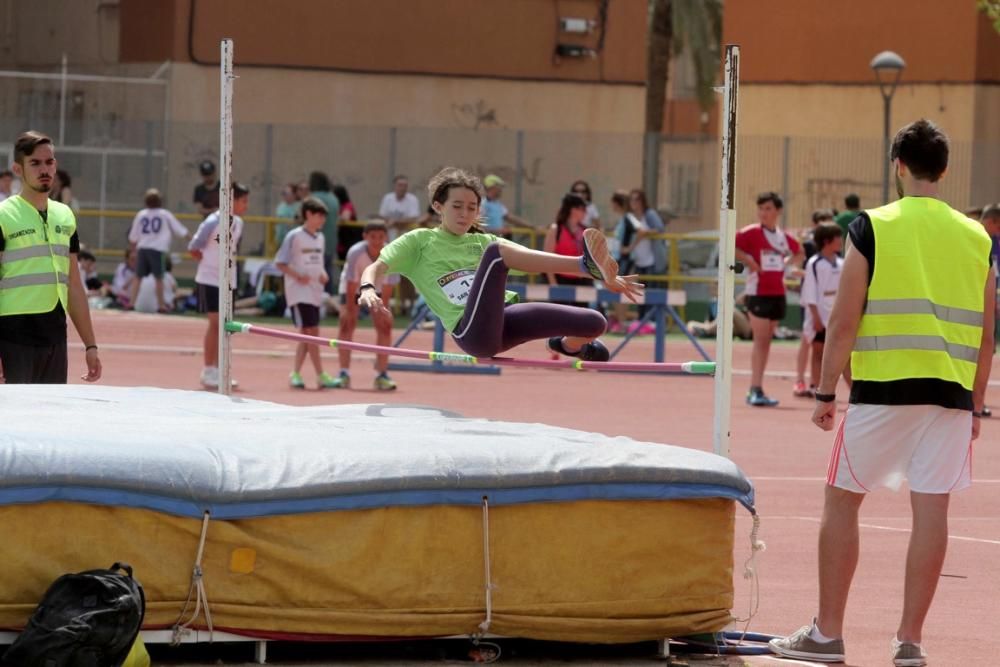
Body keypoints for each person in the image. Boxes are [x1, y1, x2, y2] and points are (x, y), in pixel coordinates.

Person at [769, 119, 995, 667]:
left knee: (842, 501)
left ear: (898, 165)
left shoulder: (872, 225)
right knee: (932, 511)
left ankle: (828, 633)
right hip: (949, 394)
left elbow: (844, 319)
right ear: (942, 170)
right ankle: (910, 641)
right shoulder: (978, 236)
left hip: (882, 391)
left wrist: (825, 392)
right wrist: (976, 402)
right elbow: (988, 332)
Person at [357, 167, 642, 363]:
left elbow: (537, 260)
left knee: (595, 322)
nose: (465, 213)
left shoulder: (482, 242)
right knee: (497, 252)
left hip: (507, 321)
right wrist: (369, 288)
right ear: (437, 206)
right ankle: (585, 264)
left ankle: (566, 346)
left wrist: (608, 277)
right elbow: (378, 266)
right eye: (457, 206)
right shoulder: (420, 241)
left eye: (471, 207)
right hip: (473, 332)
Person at [0, 130, 101, 384]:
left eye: (49, 162)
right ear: (18, 169)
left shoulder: (65, 215)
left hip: (55, 337)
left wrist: (90, 345)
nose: (44, 169)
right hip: (13, 338)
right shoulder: (3, 215)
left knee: (49, 421)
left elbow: (74, 284)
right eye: (35, 163)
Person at [735, 191, 804, 406]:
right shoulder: (751, 232)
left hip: (778, 294)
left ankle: (758, 388)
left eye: (768, 209)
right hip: (757, 293)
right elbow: (731, 245)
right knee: (761, 340)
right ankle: (754, 388)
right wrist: (749, 261)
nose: (763, 213)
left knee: (766, 343)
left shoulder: (783, 237)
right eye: (760, 208)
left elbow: (800, 252)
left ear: (778, 211)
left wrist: (786, 263)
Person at [274, 196, 340, 390]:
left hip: (314, 291)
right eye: (319, 215)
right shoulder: (294, 236)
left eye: (324, 217)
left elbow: (317, 262)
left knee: (307, 333)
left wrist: (323, 274)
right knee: (312, 332)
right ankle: (320, 374)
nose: (322, 220)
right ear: (308, 214)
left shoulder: (320, 238)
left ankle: (295, 373)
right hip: (299, 291)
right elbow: (280, 263)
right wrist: (297, 275)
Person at [188, 182, 249, 389]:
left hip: (228, 280)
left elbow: (233, 251)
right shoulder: (212, 221)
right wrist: (210, 265)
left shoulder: (239, 223)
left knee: (225, 327)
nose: (246, 205)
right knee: (215, 323)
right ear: (231, 199)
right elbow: (194, 248)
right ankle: (208, 370)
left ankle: (220, 369)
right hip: (210, 279)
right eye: (243, 201)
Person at [334, 220, 400, 390]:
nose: (377, 241)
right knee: (347, 324)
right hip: (354, 287)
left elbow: (387, 287)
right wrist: (349, 310)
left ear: (386, 237)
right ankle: (343, 373)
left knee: (384, 326)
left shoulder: (391, 254)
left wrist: (383, 310)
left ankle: (382, 374)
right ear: (365, 237)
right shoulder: (356, 253)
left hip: (377, 289)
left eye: (380, 237)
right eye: (372, 237)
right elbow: (351, 283)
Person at [798, 221, 849, 398]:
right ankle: (814, 385)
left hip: (836, 316)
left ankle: (853, 392)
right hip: (820, 315)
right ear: (827, 241)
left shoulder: (843, 263)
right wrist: (816, 318)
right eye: (837, 237)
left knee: (844, 356)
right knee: (818, 352)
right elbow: (810, 292)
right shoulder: (814, 263)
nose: (841, 240)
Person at [794, 208, 835, 397]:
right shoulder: (810, 248)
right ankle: (800, 380)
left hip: (828, 305)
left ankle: (817, 384)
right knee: (807, 340)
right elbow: (797, 266)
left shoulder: (837, 256)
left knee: (825, 347)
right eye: (822, 223)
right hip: (812, 302)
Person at [126, 188, 188, 313]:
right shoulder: (164, 214)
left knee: (138, 277)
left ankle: (132, 303)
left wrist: (133, 250)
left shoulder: (141, 214)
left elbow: (133, 237)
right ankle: (161, 305)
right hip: (157, 250)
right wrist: (191, 239)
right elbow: (180, 230)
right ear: (160, 201)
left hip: (142, 248)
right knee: (159, 278)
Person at [542, 193, 591, 288]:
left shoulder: (585, 231)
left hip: (581, 282)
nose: (585, 212)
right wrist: (553, 284)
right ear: (573, 210)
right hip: (560, 281)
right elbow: (547, 259)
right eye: (583, 209)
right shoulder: (556, 229)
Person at [307, 171, 340, 295]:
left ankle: (315, 296)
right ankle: (329, 296)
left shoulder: (314, 198)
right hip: (331, 239)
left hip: (315, 239)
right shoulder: (333, 198)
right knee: (328, 269)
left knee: (314, 269)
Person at [628, 189, 667, 275]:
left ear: (643, 201)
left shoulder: (649, 214)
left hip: (651, 262)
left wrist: (645, 232)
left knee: (650, 288)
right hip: (637, 262)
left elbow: (660, 229)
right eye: (631, 199)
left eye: (637, 199)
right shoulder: (630, 217)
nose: (633, 202)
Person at [379, 175, 421, 239]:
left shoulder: (412, 199)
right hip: (389, 234)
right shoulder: (388, 198)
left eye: (405, 186)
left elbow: (413, 218)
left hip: (407, 234)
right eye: (400, 185)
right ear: (394, 186)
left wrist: (395, 222)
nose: (403, 188)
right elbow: (383, 216)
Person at [274, 182, 301, 247]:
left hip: (294, 241)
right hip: (281, 241)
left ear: (294, 194)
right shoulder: (281, 206)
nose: (284, 196)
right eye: (283, 193)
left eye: (286, 193)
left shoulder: (300, 206)